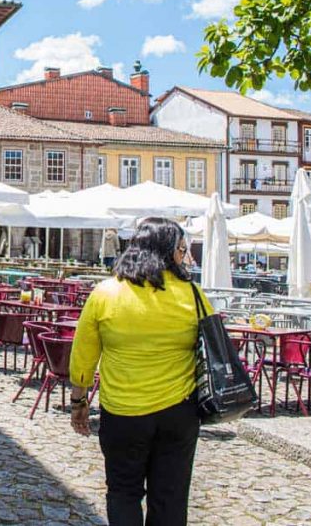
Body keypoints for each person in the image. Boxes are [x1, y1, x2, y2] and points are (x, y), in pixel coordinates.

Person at [69, 218, 212, 526]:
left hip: (123, 411)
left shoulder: (106, 293)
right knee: (171, 498)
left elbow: (83, 358)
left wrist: (78, 402)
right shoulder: (194, 295)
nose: (183, 256)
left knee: (123, 492)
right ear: (170, 252)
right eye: (181, 249)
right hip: (179, 411)